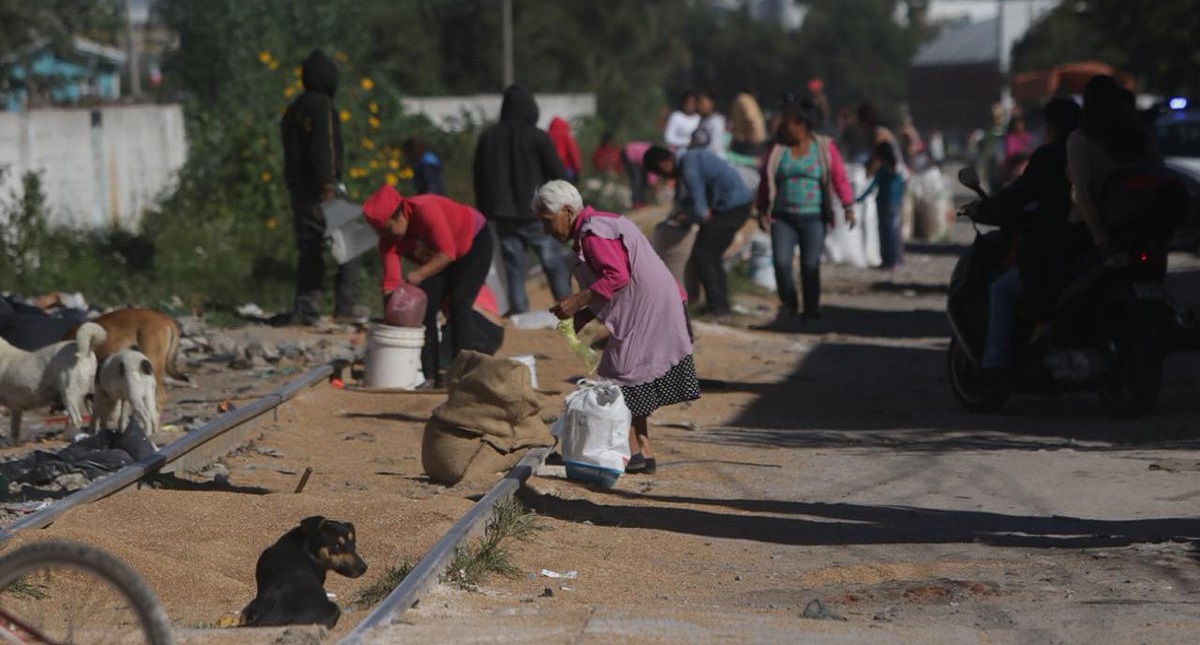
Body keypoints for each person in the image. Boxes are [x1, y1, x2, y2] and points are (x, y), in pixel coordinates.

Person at [536, 180, 699, 475]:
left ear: (568, 211)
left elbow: (616, 276)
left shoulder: (593, 232)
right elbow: (616, 281)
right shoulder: (599, 225)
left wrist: (576, 302)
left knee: (617, 379)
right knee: (631, 375)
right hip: (656, 304)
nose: (547, 230)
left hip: (650, 308)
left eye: (548, 221)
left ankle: (630, 453)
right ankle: (642, 450)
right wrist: (584, 313)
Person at [972, 97, 1081, 375]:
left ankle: (994, 364)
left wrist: (988, 207)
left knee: (1001, 289)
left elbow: (1021, 191)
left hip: (1055, 248)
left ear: (1052, 125)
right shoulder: (1093, 150)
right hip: (1087, 246)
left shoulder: (1051, 155)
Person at [362, 184, 495, 387]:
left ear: (400, 215)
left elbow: (448, 253)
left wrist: (418, 274)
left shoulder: (425, 211)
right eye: (381, 232)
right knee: (424, 306)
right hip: (440, 257)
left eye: (388, 229)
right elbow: (390, 282)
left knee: (460, 304)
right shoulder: (387, 239)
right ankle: (430, 376)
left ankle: (465, 374)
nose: (386, 236)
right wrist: (392, 311)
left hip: (472, 242)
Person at [755, 100, 856, 330]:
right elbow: (765, 180)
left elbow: (838, 177)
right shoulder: (778, 150)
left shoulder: (823, 147)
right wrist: (761, 208)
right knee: (781, 264)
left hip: (814, 218)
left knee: (810, 266)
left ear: (802, 125)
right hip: (783, 218)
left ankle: (811, 311)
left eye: (788, 124)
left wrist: (848, 205)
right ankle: (789, 306)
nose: (783, 128)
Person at [280, 50, 364, 325]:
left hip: (299, 192)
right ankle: (345, 306)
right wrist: (328, 183)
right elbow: (323, 146)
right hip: (322, 191)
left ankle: (305, 310)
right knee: (352, 243)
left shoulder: (293, 110)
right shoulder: (322, 106)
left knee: (310, 251)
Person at [473, 85, 571, 315]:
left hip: (502, 215)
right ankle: (568, 307)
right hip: (539, 214)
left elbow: (479, 178)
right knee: (553, 263)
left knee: (514, 267)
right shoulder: (538, 137)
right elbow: (557, 173)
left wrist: (485, 211)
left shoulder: (488, 137)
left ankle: (520, 313)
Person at [643, 145, 753, 317]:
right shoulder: (688, 161)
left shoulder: (689, 165)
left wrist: (686, 219)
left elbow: (701, 212)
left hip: (733, 208)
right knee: (709, 254)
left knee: (706, 255)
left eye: (662, 173)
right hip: (730, 206)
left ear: (664, 164)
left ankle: (719, 309)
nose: (666, 178)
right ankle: (713, 304)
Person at [1067, 75, 1162, 254]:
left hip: (1092, 230)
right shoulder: (1139, 134)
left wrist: (1100, 239)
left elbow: (1083, 192)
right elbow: (1158, 172)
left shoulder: (1081, 139)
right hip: (1139, 222)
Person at [857, 141, 906, 269]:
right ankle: (897, 260)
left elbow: (873, 185)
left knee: (885, 234)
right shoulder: (898, 167)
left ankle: (888, 261)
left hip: (884, 203)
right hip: (896, 203)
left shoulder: (883, 169)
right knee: (895, 233)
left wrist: (859, 198)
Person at [688, 90, 727, 157]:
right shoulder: (702, 121)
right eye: (697, 103)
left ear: (712, 103)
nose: (699, 106)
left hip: (712, 160)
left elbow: (714, 147)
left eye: (701, 102)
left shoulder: (716, 122)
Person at [728, 90, 766, 157]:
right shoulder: (745, 100)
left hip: (744, 140)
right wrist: (753, 138)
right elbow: (751, 119)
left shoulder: (741, 99)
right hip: (748, 142)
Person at [548, 116, 583, 183]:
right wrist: (578, 170)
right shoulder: (566, 137)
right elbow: (574, 155)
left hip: (550, 170)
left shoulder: (546, 137)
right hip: (565, 169)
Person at [621, 140, 652, 208]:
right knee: (637, 179)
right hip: (628, 154)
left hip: (636, 157)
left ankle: (642, 201)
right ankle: (637, 203)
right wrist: (652, 181)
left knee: (643, 180)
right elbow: (651, 173)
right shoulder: (651, 154)